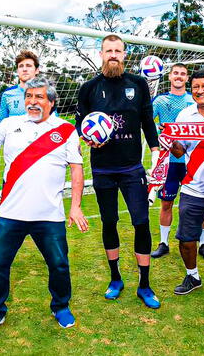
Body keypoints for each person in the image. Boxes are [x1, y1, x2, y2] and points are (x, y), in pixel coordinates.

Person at [0, 76, 88, 336]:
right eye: (29, 96)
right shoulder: (10, 123)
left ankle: (60, 306)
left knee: (59, 265)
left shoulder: (65, 130)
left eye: (39, 97)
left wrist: (76, 206)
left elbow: (77, 169)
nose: (33, 101)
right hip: (10, 213)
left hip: (50, 216)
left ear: (51, 102)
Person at [75, 34, 161, 309]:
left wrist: (156, 152)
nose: (113, 54)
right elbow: (79, 124)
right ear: (101, 54)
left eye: (118, 51)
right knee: (109, 222)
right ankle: (115, 279)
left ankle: (145, 285)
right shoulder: (88, 88)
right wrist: (86, 136)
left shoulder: (138, 84)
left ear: (125, 54)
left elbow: (147, 120)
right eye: (108, 50)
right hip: (102, 169)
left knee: (140, 223)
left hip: (132, 168)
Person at [159, 69, 204, 295]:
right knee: (186, 239)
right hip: (193, 188)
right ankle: (193, 276)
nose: (200, 91)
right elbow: (180, 152)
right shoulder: (185, 115)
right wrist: (170, 141)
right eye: (196, 87)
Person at [150, 64, 204, 261]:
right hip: (168, 161)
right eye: (175, 73)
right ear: (169, 77)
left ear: (187, 79)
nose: (179, 77)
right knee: (166, 202)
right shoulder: (160, 100)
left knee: (199, 203)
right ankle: (163, 243)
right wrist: (159, 131)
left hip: (190, 160)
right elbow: (147, 122)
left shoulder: (194, 100)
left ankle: (203, 244)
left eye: (183, 74)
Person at [0, 50, 40, 123]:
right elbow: (0, 123)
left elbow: (54, 124)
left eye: (28, 66)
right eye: (21, 66)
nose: (24, 69)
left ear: (37, 70)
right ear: (17, 71)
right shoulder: (7, 95)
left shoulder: (47, 94)